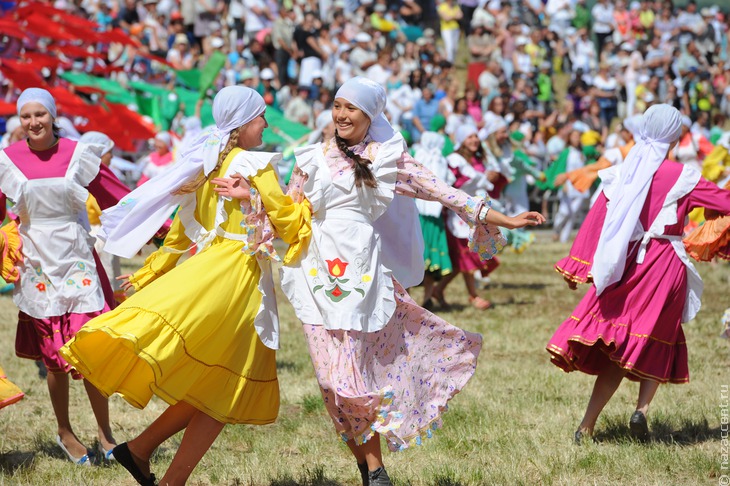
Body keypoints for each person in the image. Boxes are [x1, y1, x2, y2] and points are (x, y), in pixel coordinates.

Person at [215, 77, 544, 485]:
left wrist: (503, 219)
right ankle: (366, 465)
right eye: (337, 106)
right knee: (329, 383)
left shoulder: (388, 159)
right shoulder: (311, 158)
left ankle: (376, 471)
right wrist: (250, 197)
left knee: (349, 375)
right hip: (314, 273)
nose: (342, 115)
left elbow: (444, 193)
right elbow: (290, 216)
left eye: (351, 107)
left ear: (370, 114)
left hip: (362, 275)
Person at [60, 87, 309, 485]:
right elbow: (290, 224)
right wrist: (302, 199)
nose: (266, 123)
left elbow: (180, 231)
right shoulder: (255, 164)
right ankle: (162, 470)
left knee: (217, 383)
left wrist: (150, 271)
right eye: (261, 116)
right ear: (244, 123)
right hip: (237, 277)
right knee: (227, 384)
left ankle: (142, 453)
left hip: (213, 268)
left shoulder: (210, 162)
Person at [547, 104, 730, 443]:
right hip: (665, 266)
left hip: (626, 264)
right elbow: (725, 203)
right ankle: (642, 410)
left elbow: (596, 223)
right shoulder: (683, 174)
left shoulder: (623, 171)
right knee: (660, 337)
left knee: (618, 343)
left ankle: (586, 425)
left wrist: (579, 265)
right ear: (675, 135)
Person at [0, 88, 130, 465]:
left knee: (88, 348)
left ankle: (106, 436)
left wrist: (160, 224)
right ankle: (64, 432)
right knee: (54, 355)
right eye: (26, 116)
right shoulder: (6, 160)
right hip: (35, 262)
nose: (33, 122)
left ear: (52, 116)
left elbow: (116, 196)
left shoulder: (78, 154)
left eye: (40, 114)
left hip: (76, 260)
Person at [433, 124, 496, 311]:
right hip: (457, 216)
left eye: (476, 136)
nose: (474, 140)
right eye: (470, 137)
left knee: (461, 260)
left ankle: (439, 289)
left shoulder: (474, 160)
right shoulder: (453, 160)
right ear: (461, 140)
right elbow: (450, 185)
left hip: (471, 214)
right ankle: (473, 295)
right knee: (465, 255)